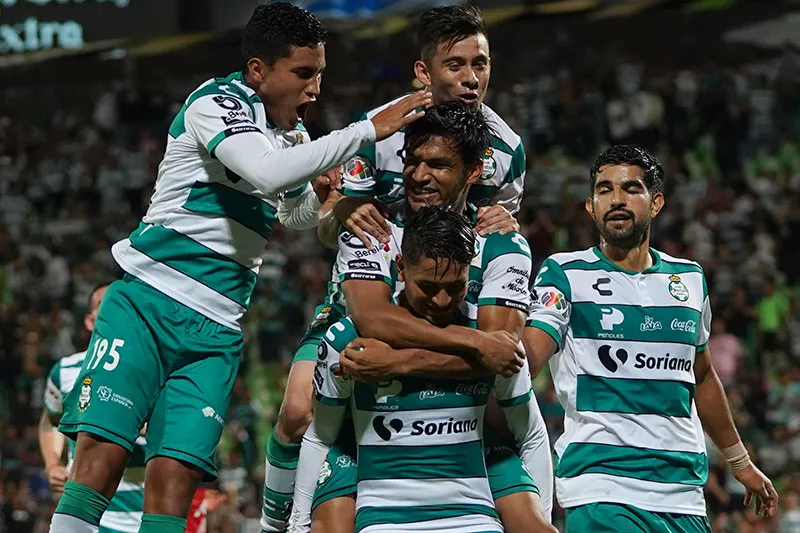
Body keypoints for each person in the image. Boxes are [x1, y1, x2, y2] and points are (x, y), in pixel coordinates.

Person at [48, 4, 430, 533]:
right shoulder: (216, 103)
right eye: (303, 73)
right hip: (149, 302)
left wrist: (322, 198)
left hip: (218, 327)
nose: (315, 88)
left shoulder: (291, 136)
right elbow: (266, 172)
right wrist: (366, 130)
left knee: (175, 485)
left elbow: (289, 212)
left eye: (320, 73)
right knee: (100, 463)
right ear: (258, 70)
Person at [262, 6, 529, 529]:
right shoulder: (378, 133)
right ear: (424, 73)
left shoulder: (508, 150)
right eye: (455, 65)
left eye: (479, 64)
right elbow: (329, 230)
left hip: (450, 293)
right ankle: (275, 521)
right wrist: (341, 212)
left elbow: (497, 230)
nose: (470, 78)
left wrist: (505, 221)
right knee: (296, 410)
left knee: (502, 401)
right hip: (373, 282)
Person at [289, 103, 553, 533]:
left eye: (438, 165)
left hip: (459, 432)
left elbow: (503, 355)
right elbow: (374, 320)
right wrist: (475, 344)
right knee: (296, 412)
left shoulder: (502, 243)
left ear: (473, 172)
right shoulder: (373, 229)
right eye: (413, 162)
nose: (419, 175)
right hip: (363, 424)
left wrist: (397, 362)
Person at [522, 144, 779, 531]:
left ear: (656, 203)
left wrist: (741, 463)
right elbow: (529, 358)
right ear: (591, 207)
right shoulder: (565, 273)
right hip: (603, 488)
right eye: (605, 190)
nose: (617, 199)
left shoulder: (689, 278)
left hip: (684, 493)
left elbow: (701, 376)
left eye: (631, 188)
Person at [40, 284, 146, 533]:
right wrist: (53, 463)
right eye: (104, 304)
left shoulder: (155, 373)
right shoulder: (65, 371)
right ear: (90, 321)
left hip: (144, 515)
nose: (115, 308)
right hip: (85, 515)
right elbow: (50, 420)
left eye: (123, 304)